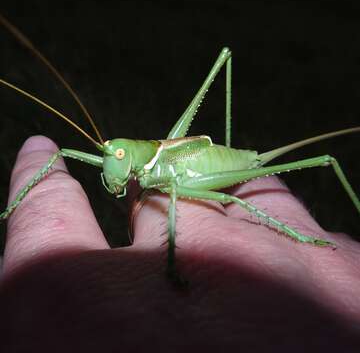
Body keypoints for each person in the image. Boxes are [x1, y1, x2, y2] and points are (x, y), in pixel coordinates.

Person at [1, 136, 360, 352]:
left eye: (120, 155)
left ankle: (297, 236)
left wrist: (171, 266)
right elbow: (63, 152)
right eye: (115, 155)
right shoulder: (134, 159)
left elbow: (175, 189)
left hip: (208, 168)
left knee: (321, 160)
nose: (114, 160)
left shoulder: (161, 173)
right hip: (171, 157)